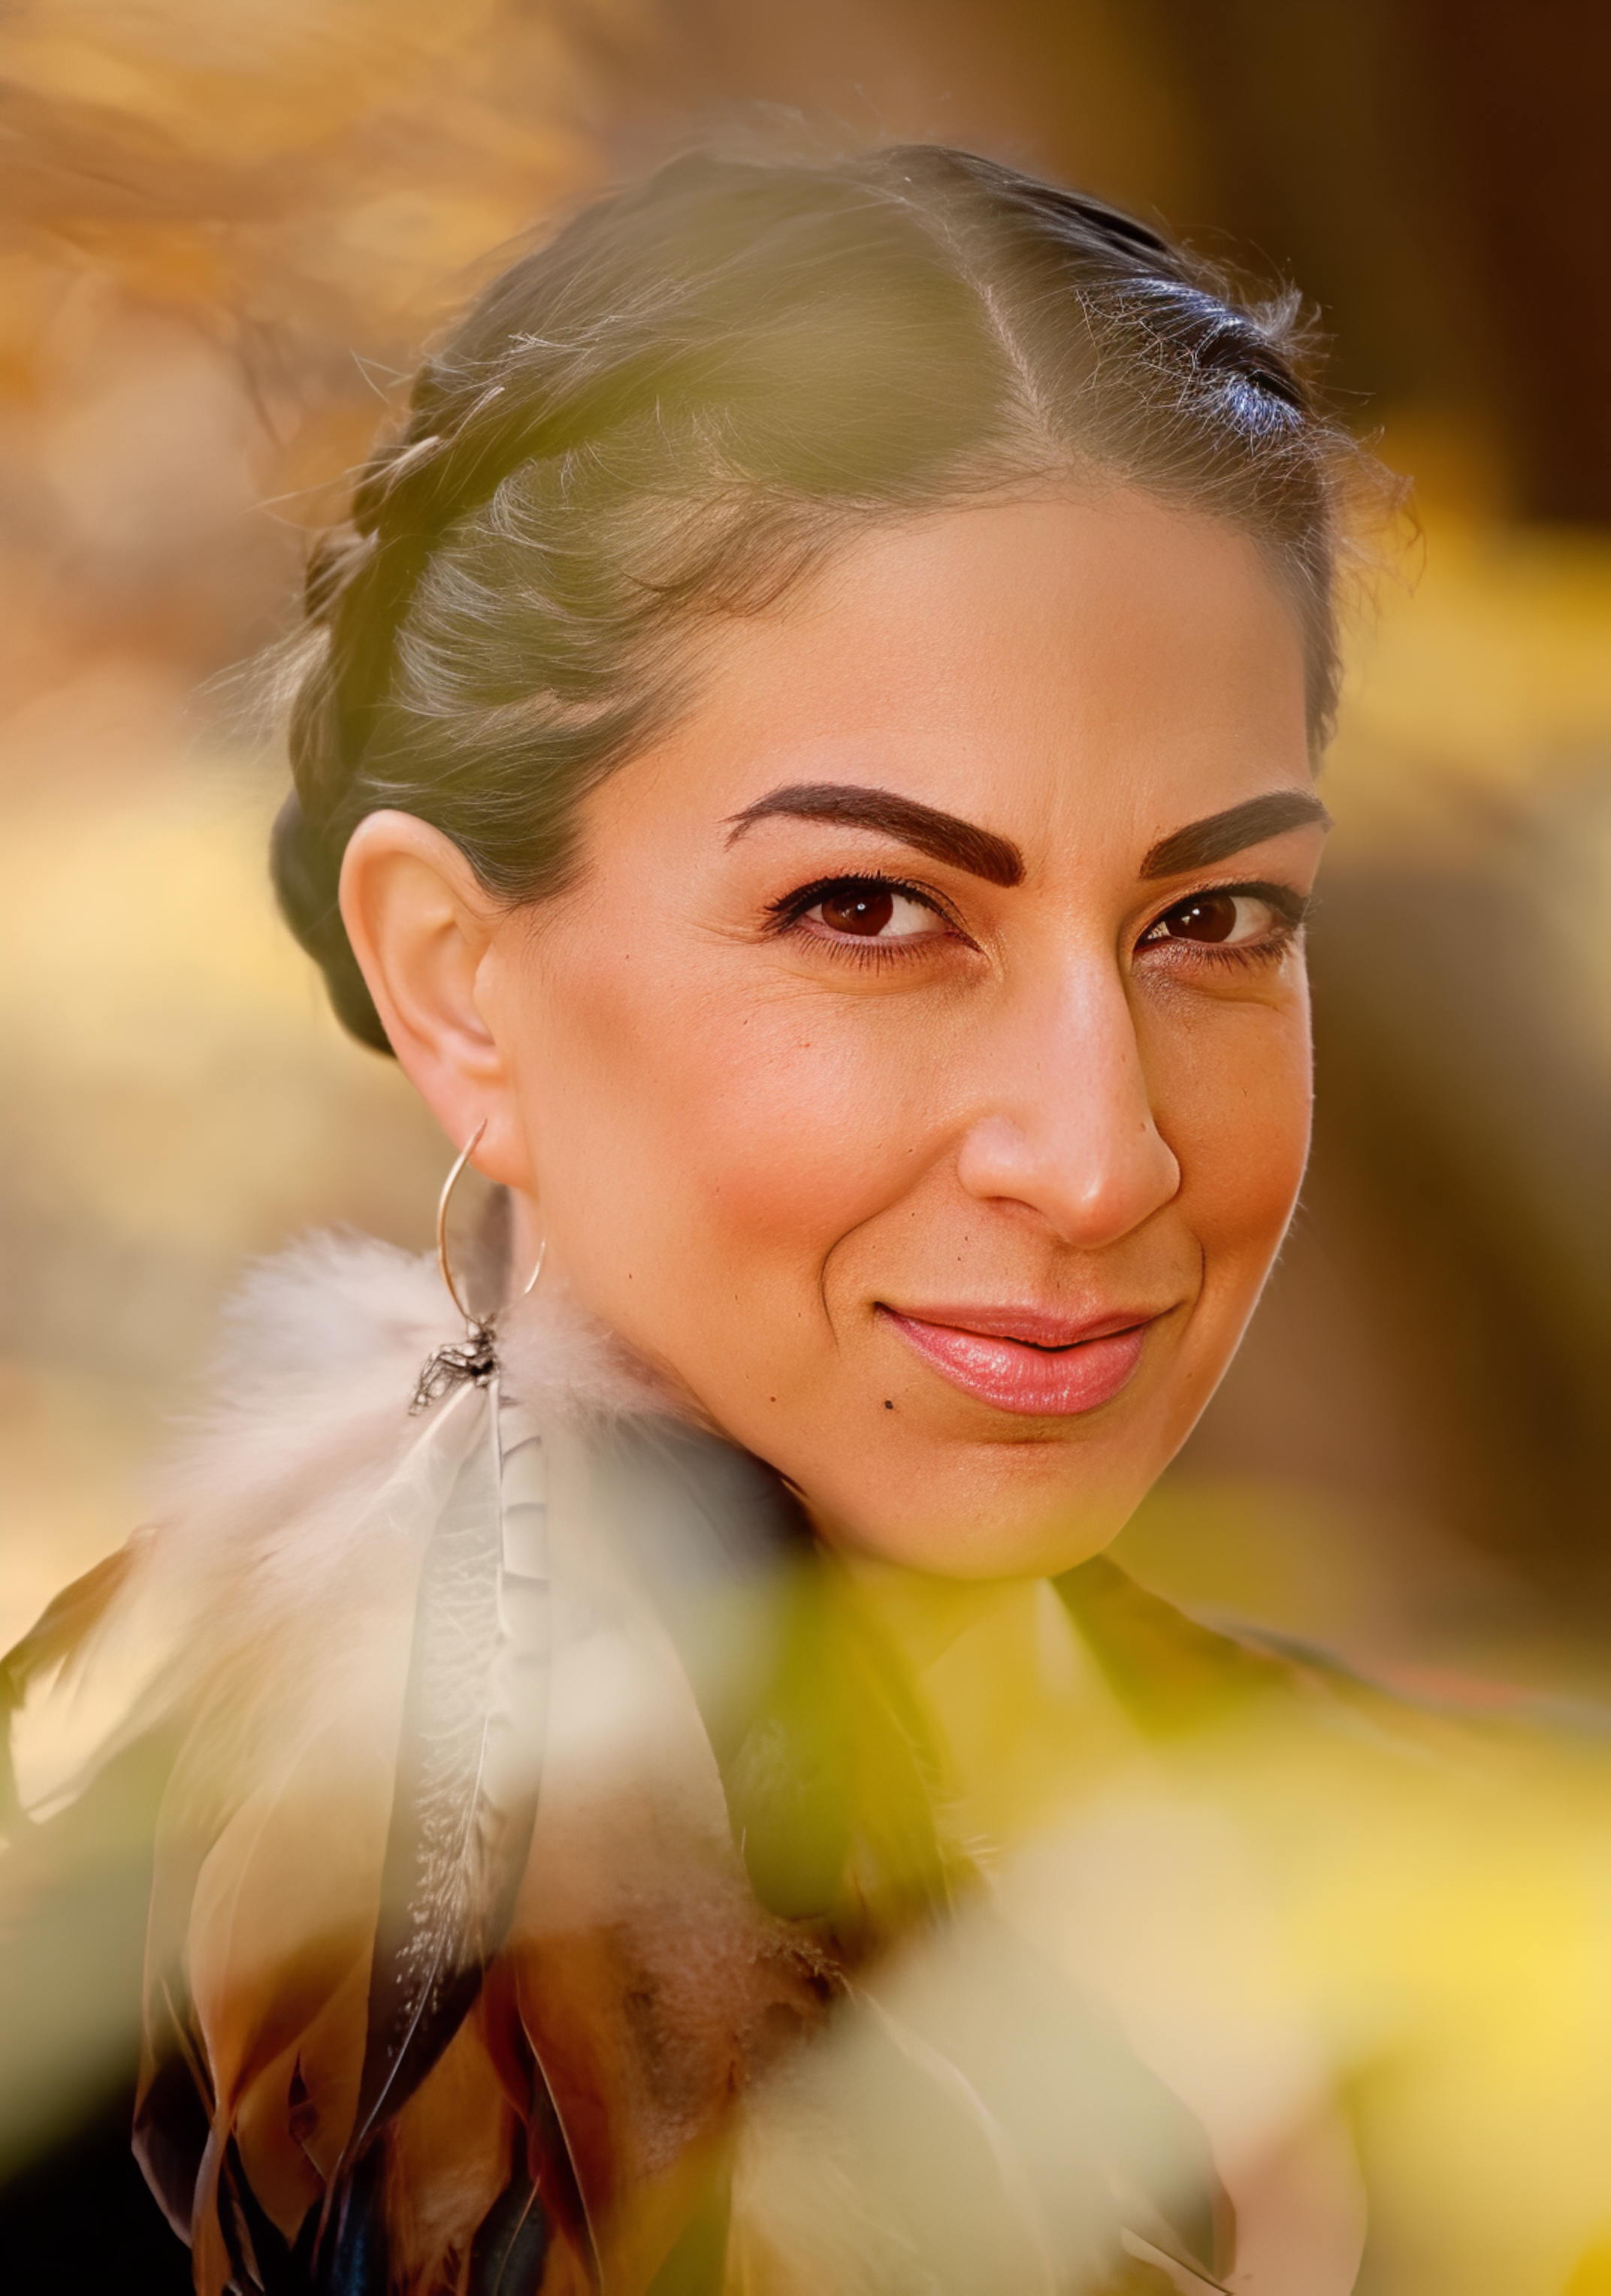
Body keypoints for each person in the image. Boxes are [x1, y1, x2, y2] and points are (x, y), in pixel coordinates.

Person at [5, 141, 1611, 2296]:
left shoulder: (1511, 1878)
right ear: (456, 985)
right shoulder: (92, 2039)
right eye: (867, 910)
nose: (1104, 1153)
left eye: (1213, 916)